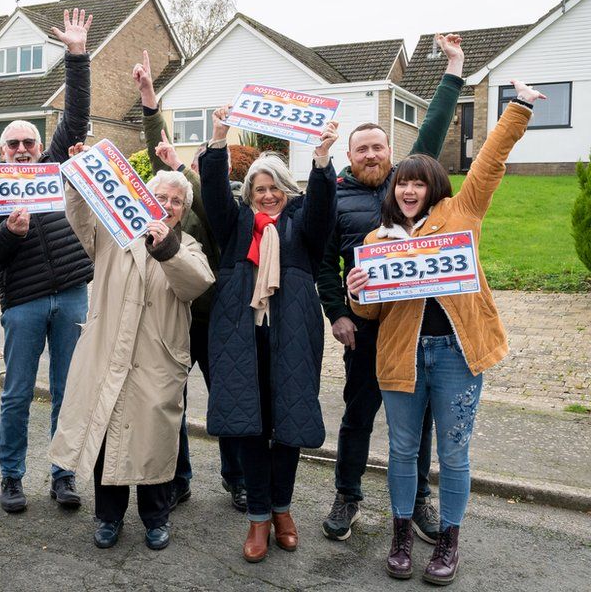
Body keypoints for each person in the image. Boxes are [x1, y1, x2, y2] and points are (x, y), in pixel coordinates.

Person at [346, 81, 542, 585]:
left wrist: (517, 109)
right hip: (400, 360)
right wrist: (356, 291)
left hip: (456, 354)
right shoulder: (376, 241)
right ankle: (401, 538)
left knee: (454, 450)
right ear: (393, 192)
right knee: (403, 451)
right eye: (401, 184)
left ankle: (449, 544)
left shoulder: (462, 215)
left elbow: (489, 163)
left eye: (418, 183)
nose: (408, 191)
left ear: (433, 188)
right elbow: (370, 316)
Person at [316, 34, 467, 543]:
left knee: (417, 422)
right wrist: (337, 312)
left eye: (379, 147)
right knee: (358, 415)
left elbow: (435, 124)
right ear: (351, 156)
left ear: (391, 152)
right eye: (363, 149)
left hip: (418, 328)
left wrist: (453, 68)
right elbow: (322, 265)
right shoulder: (335, 200)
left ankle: (420, 500)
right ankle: (348, 495)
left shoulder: (409, 184)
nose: (373, 155)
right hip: (364, 329)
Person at [49, 143, 214, 550]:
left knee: (154, 443)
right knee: (108, 439)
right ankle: (107, 517)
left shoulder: (188, 247)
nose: (169, 205)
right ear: (144, 196)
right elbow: (81, 217)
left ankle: (156, 518)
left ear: (183, 211)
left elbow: (196, 283)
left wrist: (167, 249)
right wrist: (79, 175)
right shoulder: (113, 235)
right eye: (160, 196)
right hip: (109, 355)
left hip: (157, 362)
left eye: (177, 201)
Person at [201, 107, 338, 563]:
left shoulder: (302, 226)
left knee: (289, 428)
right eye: (259, 189)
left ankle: (283, 511)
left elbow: (323, 208)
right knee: (250, 430)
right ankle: (259, 517)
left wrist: (321, 160)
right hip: (241, 339)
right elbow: (216, 195)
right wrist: (219, 140)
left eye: (274, 188)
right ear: (250, 194)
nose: (266, 196)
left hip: (293, 338)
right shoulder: (237, 224)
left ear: (287, 190)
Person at [0, 8, 93, 513]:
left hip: (69, 292)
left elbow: (77, 114)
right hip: (20, 299)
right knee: (17, 393)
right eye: (12, 143)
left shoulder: (53, 167)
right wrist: (8, 230)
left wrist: (77, 55)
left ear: (41, 147)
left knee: (68, 390)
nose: (22, 149)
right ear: (1, 150)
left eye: (29, 142)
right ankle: (11, 476)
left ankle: (63, 475)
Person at [133, 50, 246, 511]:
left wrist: (183, 168)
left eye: (195, 169)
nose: (177, 189)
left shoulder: (217, 210)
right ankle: (176, 477)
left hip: (215, 321)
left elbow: (195, 189)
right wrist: (148, 101)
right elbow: (159, 160)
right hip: (171, 322)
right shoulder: (162, 211)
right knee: (169, 404)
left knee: (226, 399)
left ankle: (236, 478)